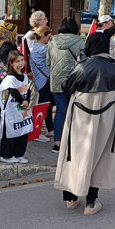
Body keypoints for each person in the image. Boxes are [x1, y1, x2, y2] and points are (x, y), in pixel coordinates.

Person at [54, 49, 115, 215]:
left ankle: (71, 198)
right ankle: (90, 203)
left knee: (73, 153)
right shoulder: (114, 66)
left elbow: (66, 87)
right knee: (100, 155)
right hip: (106, 116)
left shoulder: (82, 66)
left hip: (80, 115)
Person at [47, 17, 86, 153]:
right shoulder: (79, 42)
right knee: (75, 112)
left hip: (57, 81)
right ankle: (72, 141)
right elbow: (84, 62)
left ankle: (57, 143)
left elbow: (48, 62)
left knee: (60, 112)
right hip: (74, 82)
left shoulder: (52, 41)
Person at [0, 51, 32, 164]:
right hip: (12, 110)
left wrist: (27, 101)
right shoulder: (10, 78)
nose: (21, 63)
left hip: (23, 110)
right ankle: (6, 155)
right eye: (17, 61)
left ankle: (19, 153)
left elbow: (28, 90)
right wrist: (22, 101)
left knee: (23, 131)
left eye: (22, 60)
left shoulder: (25, 76)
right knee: (10, 132)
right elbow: (13, 91)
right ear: (11, 63)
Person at [0, 22, 19, 140]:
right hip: (5, 81)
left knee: (1, 105)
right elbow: (9, 62)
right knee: (4, 105)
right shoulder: (6, 46)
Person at [29, 26, 53, 141]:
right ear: (43, 36)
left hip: (41, 80)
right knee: (44, 107)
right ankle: (36, 131)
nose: (50, 39)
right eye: (49, 36)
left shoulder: (35, 46)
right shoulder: (42, 49)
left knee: (47, 106)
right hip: (43, 81)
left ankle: (50, 128)